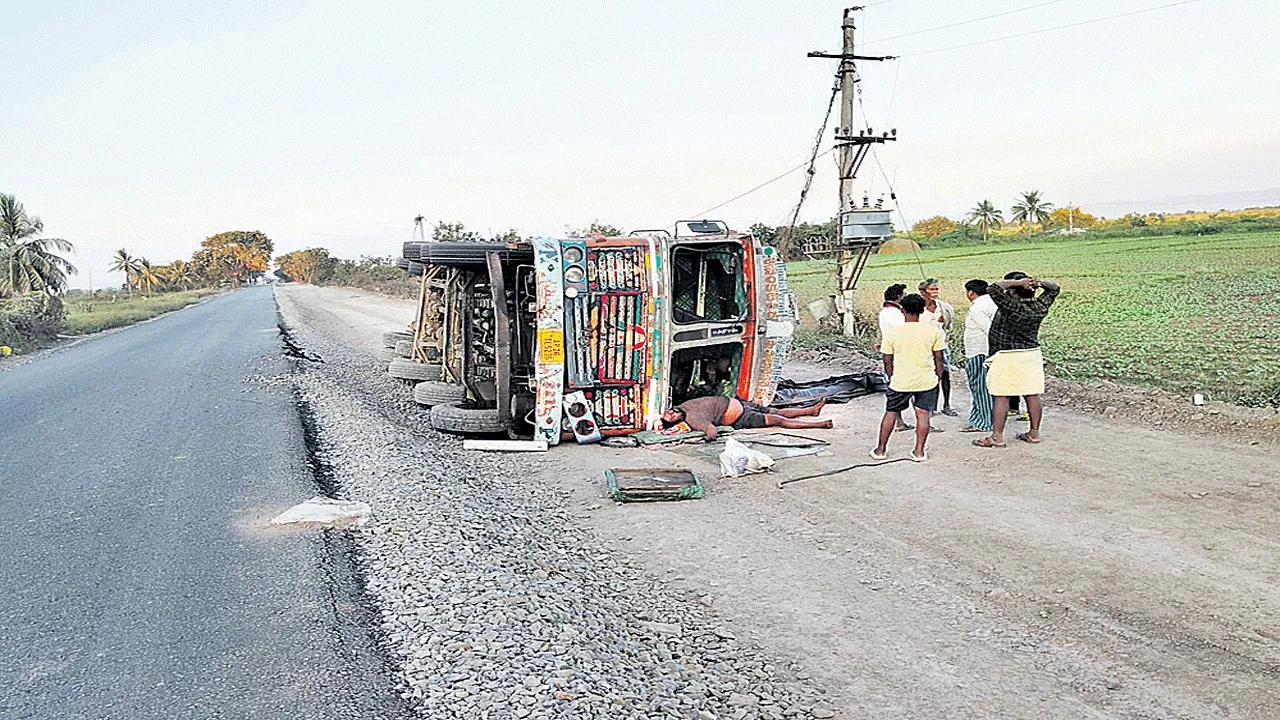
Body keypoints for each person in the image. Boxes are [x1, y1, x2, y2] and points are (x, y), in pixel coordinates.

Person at [973, 276, 1061, 448]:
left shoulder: (1011, 306)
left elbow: (993, 288)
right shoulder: (1039, 307)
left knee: (1002, 395)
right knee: (1031, 394)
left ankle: (997, 437)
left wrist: (1017, 282)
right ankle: (1034, 433)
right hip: (1031, 353)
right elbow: (1055, 288)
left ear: (1012, 292)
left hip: (1006, 354)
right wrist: (1039, 282)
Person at [871, 293, 945, 462]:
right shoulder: (932, 331)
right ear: (922, 310)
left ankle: (881, 450)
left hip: (900, 380)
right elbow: (938, 357)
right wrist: (938, 377)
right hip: (926, 380)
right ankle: (919, 451)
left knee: (891, 413)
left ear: (902, 310)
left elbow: (887, 359)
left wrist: (891, 376)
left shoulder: (893, 332)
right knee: (923, 415)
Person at [661, 396, 831, 441]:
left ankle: (811, 410)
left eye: (670, 412)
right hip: (741, 417)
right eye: (671, 417)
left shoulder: (684, 405)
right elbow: (711, 431)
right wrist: (706, 438)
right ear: (677, 421)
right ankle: (818, 424)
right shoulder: (693, 419)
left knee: (776, 410)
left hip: (739, 403)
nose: (672, 413)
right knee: (778, 420)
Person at [959, 279, 997, 433]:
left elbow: (989, 330)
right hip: (986, 351)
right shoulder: (992, 303)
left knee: (979, 387)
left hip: (979, 351)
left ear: (971, 292)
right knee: (984, 387)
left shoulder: (978, 307)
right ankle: (983, 418)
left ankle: (982, 422)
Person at [919, 278, 956, 417]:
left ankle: (946, 405)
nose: (935, 292)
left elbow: (948, 324)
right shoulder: (918, 308)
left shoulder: (943, 307)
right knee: (928, 377)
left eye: (936, 289)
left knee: (945, 375)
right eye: (932, 289)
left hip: (941, 345)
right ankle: (929, 407)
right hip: (924, 347)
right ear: (923, 292)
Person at [877, 284, 911, 432]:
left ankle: (899, 421)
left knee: (894, 386)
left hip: (889, 351)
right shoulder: (896, 314)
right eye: (903, 295)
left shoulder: (884, 312)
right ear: (898, 297)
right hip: (899, 353)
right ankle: (899, 421)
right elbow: (905, 333)